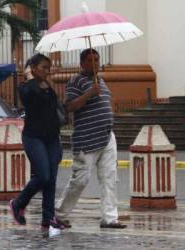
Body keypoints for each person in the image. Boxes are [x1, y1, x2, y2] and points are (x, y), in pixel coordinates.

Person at [55, 49, 127, 229]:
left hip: (106, 135)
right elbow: (69, 106)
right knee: (80, 180)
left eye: (96, 59)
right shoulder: (75, 81)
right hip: (87, 139)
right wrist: (89, 94)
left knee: (110, 177)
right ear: (82, 63)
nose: (94, 63)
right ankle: (60, 214)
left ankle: (109, 217)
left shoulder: (100, 81)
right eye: (90, 60)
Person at [9, 53, 68, 230]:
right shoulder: (25, 87)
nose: (47, 71)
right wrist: (29, 77)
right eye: (43, 67)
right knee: (43, 175)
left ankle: (48, 218)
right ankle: (18, 203)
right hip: (33, 137)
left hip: (52, 137)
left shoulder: (47, 86)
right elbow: (31, 97)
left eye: (48, 68)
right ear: (32, 68)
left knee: (51, 180)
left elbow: (53, 108)